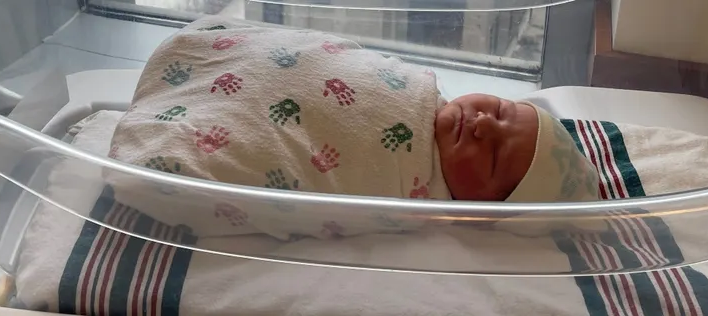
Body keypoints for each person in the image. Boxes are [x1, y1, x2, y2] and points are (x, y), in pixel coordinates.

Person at [105, 17, 600, 239]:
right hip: (264, 70)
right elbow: (335, 59)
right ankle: (197, 67)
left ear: (484, 212)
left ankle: (173, 136)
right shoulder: (423, 91)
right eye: (501, 108)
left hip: (252, 126)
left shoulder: (414, 201)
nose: (484, 124)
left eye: (493, 157)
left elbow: (330, 200)